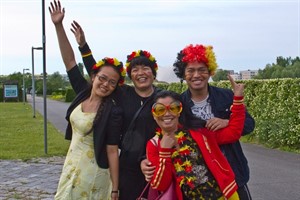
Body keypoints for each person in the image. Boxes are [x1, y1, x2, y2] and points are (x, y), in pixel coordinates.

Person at [69, 21, 162, 199]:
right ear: (130, 75)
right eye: (135, 69)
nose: (141, 72)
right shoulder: (123, 94)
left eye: (146, 68)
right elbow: (99, 74)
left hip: (155, 165)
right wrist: (83, 46)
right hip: (127, 166)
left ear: (153, 72)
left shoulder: (163, 98)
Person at [49, 1, 126, 199]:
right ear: (93, 78)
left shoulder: (112, 111)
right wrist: (58, 26)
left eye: (112, 82)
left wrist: (115, 189)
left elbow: (112, 151)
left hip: (94, 173)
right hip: (71, 165)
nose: (106, 84)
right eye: (102, 78)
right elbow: (69, 61)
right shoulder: (82, 93)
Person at [173, 44, 255, 199]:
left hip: (233, 175)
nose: (196, 75)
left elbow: (249, 124)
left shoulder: (226, 96)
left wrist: (227, 122)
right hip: (199, 183)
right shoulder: (179, 104)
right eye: (191, 70)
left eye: (202, 70)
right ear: (183, 74)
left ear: (210, 72)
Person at [147, 77, 245, 200]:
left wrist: (237, 99)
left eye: (173, 108)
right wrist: (164, 153)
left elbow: (233, 133)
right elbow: (160, 185)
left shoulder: (198, 131)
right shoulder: (154, 144)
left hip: (223, 196)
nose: (167, 114)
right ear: (154, 115)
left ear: (180, 111)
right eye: (160, 110)